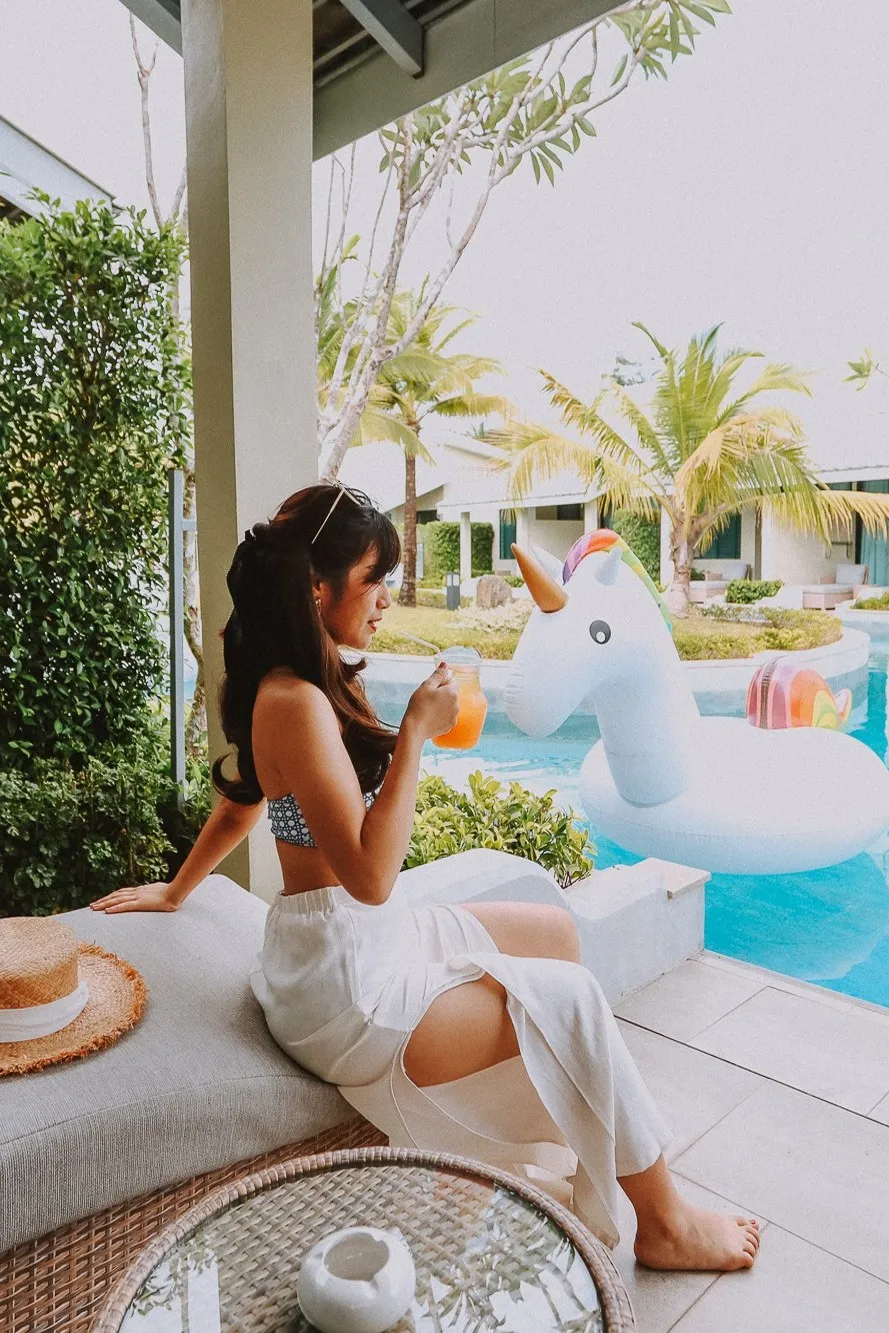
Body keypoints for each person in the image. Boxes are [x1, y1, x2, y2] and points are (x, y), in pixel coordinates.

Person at [92, 481, 759, 1271]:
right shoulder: (293, 700)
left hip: (365, 931)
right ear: (317, 586)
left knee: (551, 932)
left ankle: (534, 1134)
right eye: (374, 578)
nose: (385, 597)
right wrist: (414, 733)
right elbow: (370, 875)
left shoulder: (311, 674)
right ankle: (662, 1220)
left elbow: (243, 803)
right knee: (570, 998)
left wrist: (175, 890)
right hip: (343, 983)